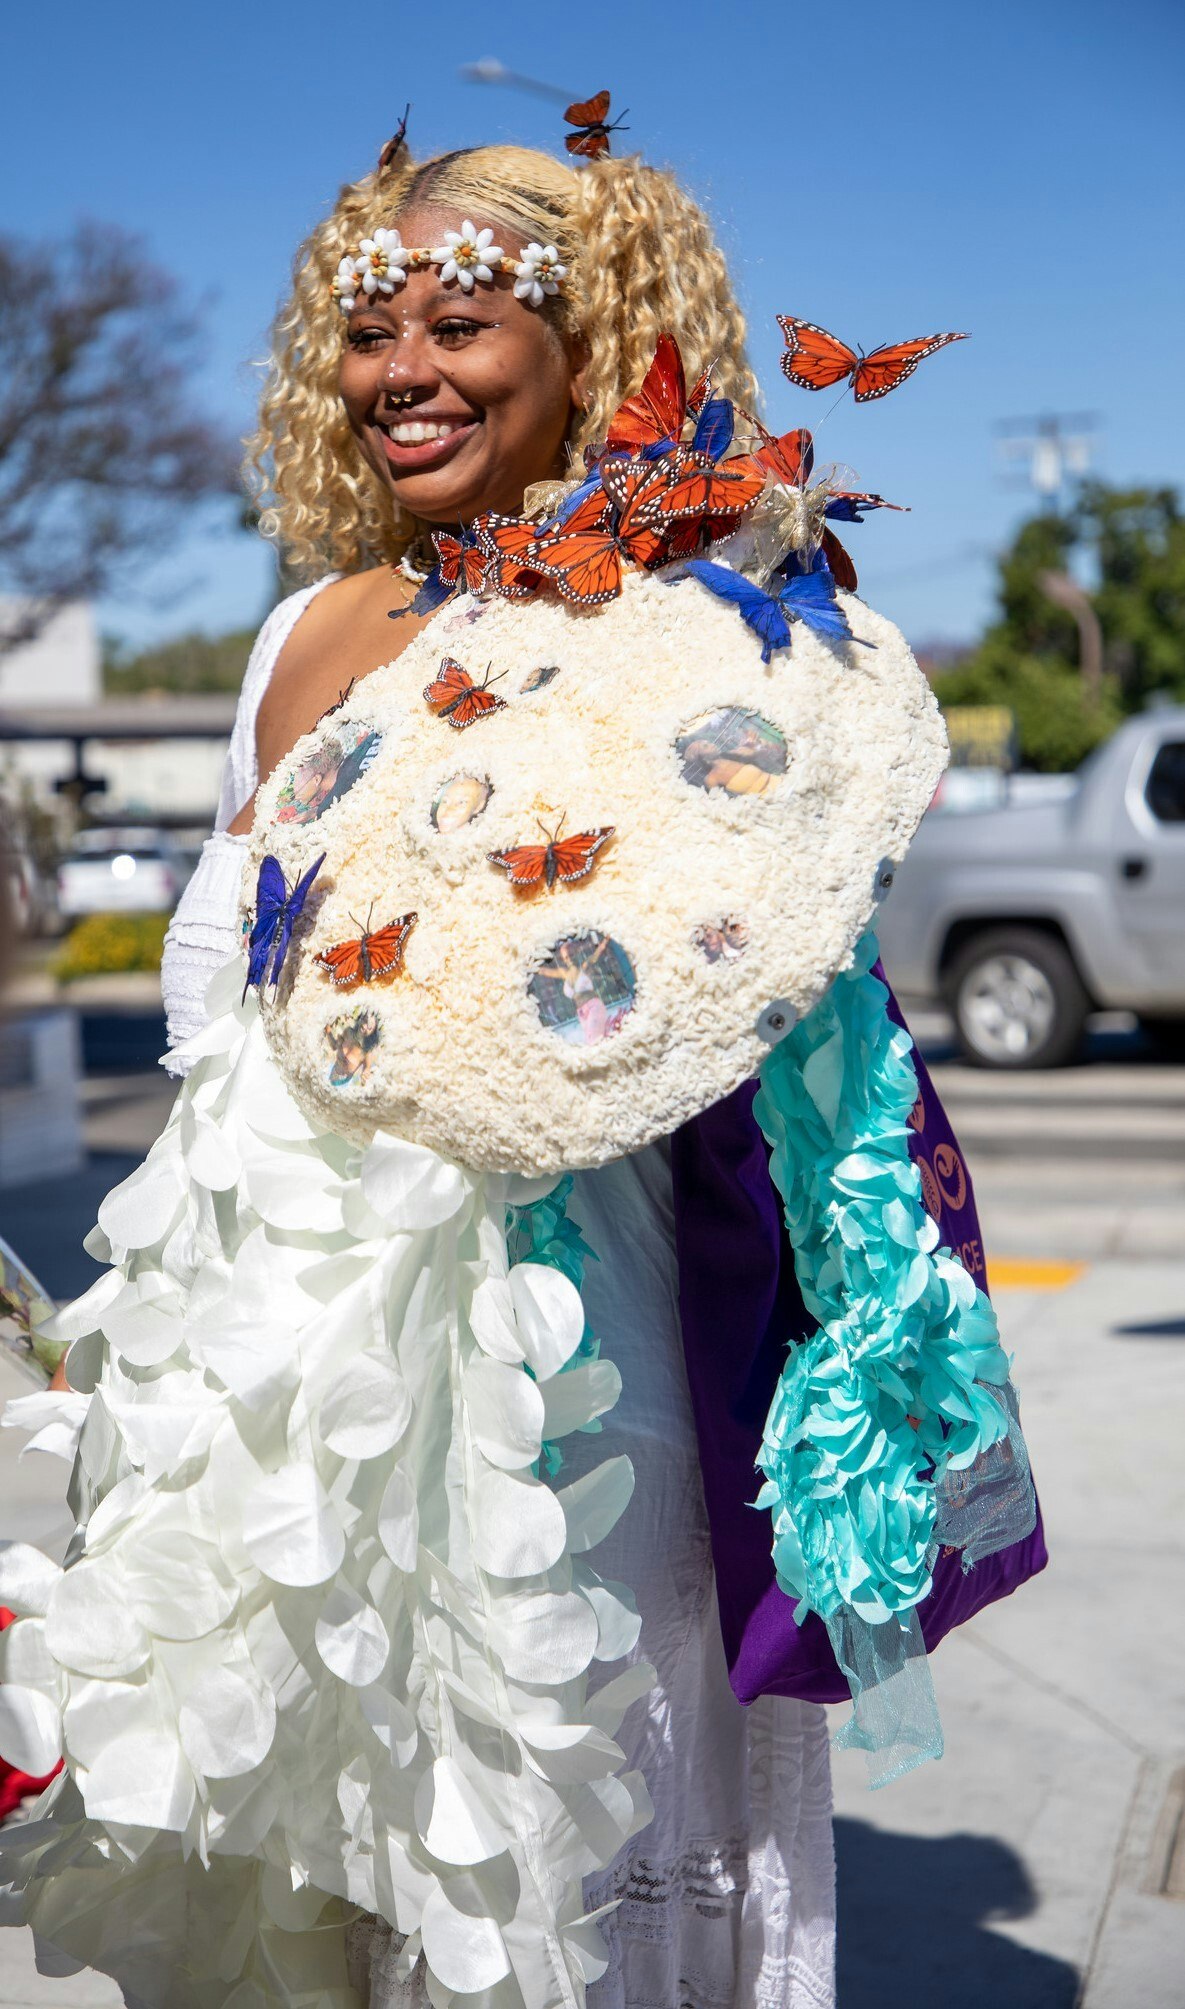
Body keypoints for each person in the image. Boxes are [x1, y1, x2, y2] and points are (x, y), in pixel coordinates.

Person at [160, 136, 839, 2007]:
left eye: (461, 323)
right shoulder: (307, 635)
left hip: (573, 1363)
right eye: (370, 334)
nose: (404, 374)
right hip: (296, 1382)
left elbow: (751, 978)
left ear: (586, 345)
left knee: (554, 1860)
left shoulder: (689, 626)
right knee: (341, 1873)